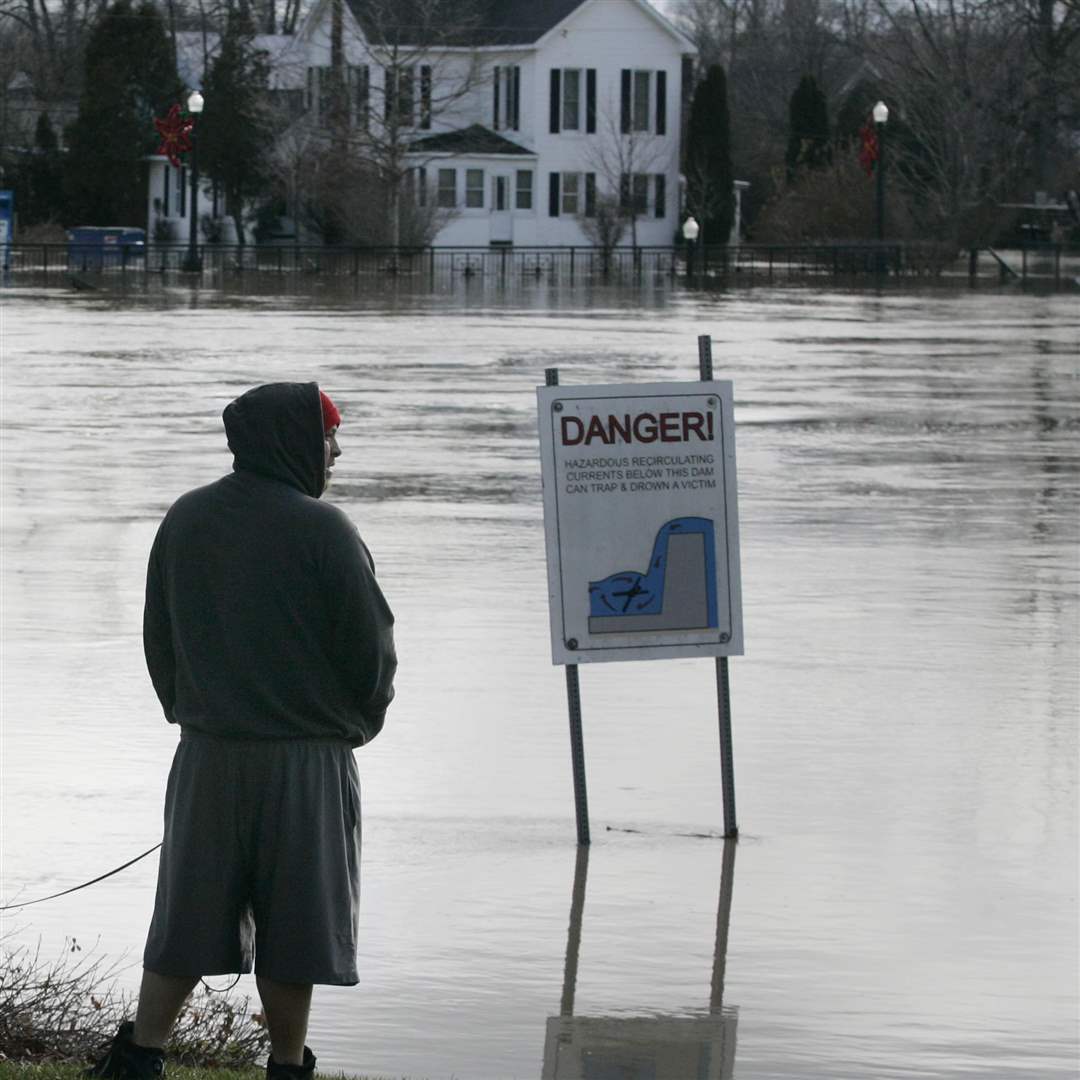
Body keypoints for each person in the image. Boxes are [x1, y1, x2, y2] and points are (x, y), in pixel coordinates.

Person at [87, 382, 397, 1080]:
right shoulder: (326, 530)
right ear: (293, 442)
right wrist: (354, 728)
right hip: (306, 763)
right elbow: (372, 655)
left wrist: (194, 717)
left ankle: (139, 1058)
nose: (338, 451)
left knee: (186, 919)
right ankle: (286, 1067)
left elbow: (157, 641)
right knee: (296, 928)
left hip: (208, 757)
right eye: (328, 438)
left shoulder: (186, 519)